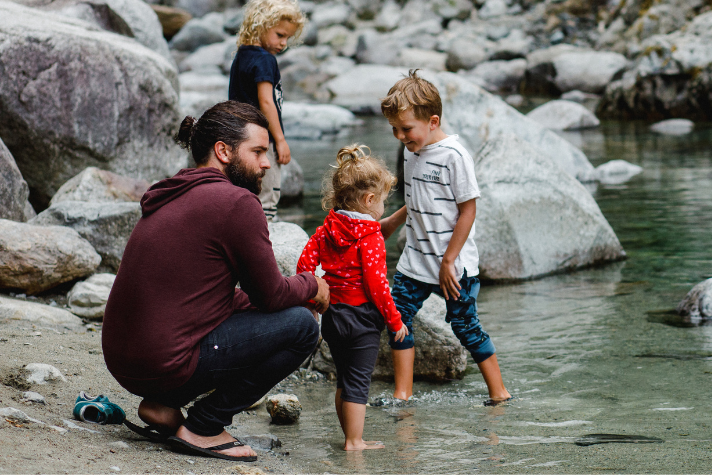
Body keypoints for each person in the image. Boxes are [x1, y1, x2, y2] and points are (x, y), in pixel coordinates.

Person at [102, 101, 330, 463]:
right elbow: (272, 295)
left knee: (278, 310)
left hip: (125, 361)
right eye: (257, 152)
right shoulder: (236, 202)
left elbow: (212, 296)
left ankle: (164, 403)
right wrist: (312, 286)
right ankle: (205, 425)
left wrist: (281, 295)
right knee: (302, 326)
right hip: (165, 362)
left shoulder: (172, 191)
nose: (266, 163)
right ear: (223, 151)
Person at [376, 70, 512, 406]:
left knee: (466, 327)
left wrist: (449, 260)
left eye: (405, 128)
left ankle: (499, 393)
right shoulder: (411, 150)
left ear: (433, 120)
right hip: (416, 258)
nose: (399, 136)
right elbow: (419, 197)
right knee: (398, 316)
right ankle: (403, 393)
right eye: (394, 129)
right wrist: (393, 221)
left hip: (452, 264)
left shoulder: (455, 156)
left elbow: (468, 210)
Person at [296, 144, 409, 451]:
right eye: (384, 201)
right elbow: (377, 284)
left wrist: (313, 304)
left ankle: (348, 435)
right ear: (369, 200)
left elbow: (304, 266)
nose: (383, 206)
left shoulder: (326, 228)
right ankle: (354, 441)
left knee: (343, 379)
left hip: (333, 316)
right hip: (361, 319)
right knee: (358, 382)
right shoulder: (370, 236)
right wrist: (394, 319)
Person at [227, 0, 305, 221]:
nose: (284, 43)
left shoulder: (242, 55)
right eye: (280, 35)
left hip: (239, 137)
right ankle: (265, 232)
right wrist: (280, 141)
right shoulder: (265, 60)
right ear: (261, 25)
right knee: (266, 195)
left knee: (243, 191)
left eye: (288, 38)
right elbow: (266, 101)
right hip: (262, 139)